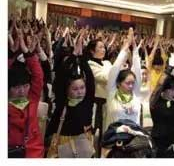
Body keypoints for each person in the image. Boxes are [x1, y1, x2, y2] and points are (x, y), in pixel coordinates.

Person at [46, 30, 95, 158]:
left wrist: (82, 58)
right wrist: (73, 56)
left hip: (83, 146)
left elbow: (90, 80)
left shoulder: (87, 102)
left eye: (82, 88)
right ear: (67, 90)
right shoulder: (63, 103)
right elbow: (60, 77)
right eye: (75, 89)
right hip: (63, 144)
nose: (80, 91)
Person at [8, 25, 45, 157]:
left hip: (33, 153)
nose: (22, 91)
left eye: (25, 86)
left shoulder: (31, 98)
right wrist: (11, 54)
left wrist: (28, 53)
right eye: (17, 87)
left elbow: (38, 76)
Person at [104, 28, 142, 132]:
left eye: (133, 83)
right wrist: (125, 48)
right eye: (127, 83)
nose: (131, 86)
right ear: (118, 83)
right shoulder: (112, 93)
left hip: (134, 138)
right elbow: (115, 69)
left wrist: (135, 49)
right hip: (114, 138)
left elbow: (138, 70)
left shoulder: (135, 94)